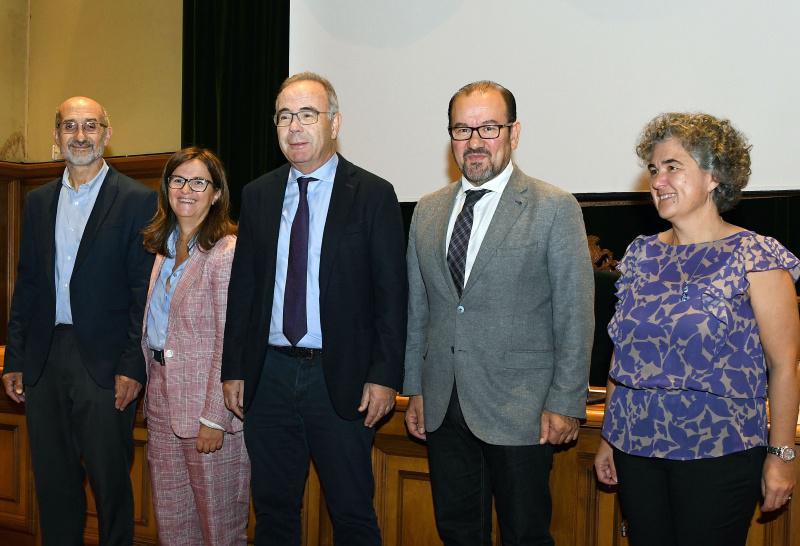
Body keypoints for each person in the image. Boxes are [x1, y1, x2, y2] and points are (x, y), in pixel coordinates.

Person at [594, 112, 800, 546]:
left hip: (720, 452)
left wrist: (782, 456)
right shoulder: (640, 255)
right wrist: (610, 438)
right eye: (653, 169)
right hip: (636, 449)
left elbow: (784, 367)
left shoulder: (755, 256)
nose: (658, 180)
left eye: (673, 167)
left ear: (713, 177)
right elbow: (623, 356)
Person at [404, 80, 595, 546]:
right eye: (462, 129)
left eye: (488, 127)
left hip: (523, 408)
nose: (474, 141)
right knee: (457, 531)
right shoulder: (427, 211)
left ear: (514, 132)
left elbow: (576, 310)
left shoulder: (554, 207)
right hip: (444, 404)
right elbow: (419, 308)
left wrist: (566, 400)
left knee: (525, 533)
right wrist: (415, 389)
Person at [220, 72, 407, 546]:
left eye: (308, 115)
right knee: (275, 513)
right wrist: (234, 368)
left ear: (335, 122)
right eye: (285, 116)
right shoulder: (259, 195)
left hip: (340, 378)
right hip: (270, 377)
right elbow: (244, 290)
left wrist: (385, 375)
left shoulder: (372, 194)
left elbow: (392, 294)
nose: (295, 127)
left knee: (352, 514)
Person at [1, 96, 156, 545]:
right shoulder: (38, 201)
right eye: (70, 126)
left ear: (107, 134)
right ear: (56, 137)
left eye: (91, 126)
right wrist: (16, 358)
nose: (81, 135)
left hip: (105, 366)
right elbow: (27, 285)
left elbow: (139, 293)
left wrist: (132, 365)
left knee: (111, 485)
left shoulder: (136, 199)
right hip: (45, 361)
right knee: (53, 483)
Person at [140, 147, 247, 545]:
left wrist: (215, 418)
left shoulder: (225, 253)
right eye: (178, 180)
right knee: (173, 525)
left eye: (199, 182)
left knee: (218, 529)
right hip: (163, 401)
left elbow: (227, 339)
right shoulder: (164, 248)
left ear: (217, 193)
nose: (187, 189)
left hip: (205, 410)